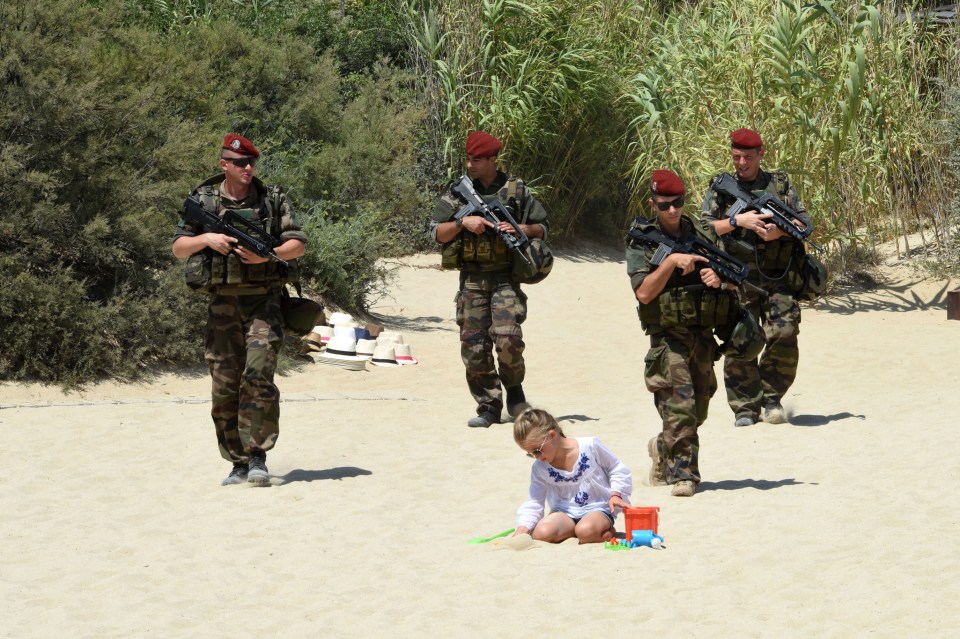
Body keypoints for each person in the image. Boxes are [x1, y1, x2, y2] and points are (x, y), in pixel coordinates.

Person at [172, 134, 307, 486]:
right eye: (240, 163)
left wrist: (268, 254)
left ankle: (258, 455)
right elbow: (179, 248)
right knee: (225, 383)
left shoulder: (272, 199)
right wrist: (207, 239)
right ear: (224, 165)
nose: (248, 168)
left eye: (252, 163)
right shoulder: (204, 200)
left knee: (259, 376)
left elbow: (297, 245)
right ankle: (237, 461)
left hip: (264, 301)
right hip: (222, 305)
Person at [626, 169, 739, 497]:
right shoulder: (641, 239)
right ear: (653, 204)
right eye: (664, 205)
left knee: (697, 412)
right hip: (668, 336)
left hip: (703, 333)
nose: (673, 211)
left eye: (678, 203)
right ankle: (684, 476)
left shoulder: (703, 232)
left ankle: (662, 446)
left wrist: (718, 280)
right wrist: (671, 262)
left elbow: (731, 277)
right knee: (681, 405)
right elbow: (644, 293)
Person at [430, 131, 549, 428]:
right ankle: (488, 406)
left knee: (508, 339)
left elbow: (543, 228)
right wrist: (461, 222)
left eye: (478, 160)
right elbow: (434, 232)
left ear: (493, 160)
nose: (471, 164)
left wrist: (520, 227)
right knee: (473, 346)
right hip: (471, 279)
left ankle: (514, 390)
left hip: (506, 278)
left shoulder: (516, 191)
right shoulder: (458, 192)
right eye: (468, 159)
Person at [700, 128, 810, 427]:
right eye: (736, 157)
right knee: (741, 339)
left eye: (748, 157)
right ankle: (745, 407)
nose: (742, 163)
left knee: (785, 333)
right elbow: (703, 229)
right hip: (737, 276)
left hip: (778, 277)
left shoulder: (780, 184)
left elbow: (804, 221)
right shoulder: (722, 187)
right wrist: (738, 220)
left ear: (761, 154)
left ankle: (771, 397)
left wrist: (780, 230)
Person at [513, 408, 631, 543]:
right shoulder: (540, 468)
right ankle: (576, 530)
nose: (536, 457)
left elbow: (616, 467)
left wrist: (616, 494)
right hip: (564, 512)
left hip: (597, 507)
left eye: (537, 450)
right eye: (530, 454)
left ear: (552, 435)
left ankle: (602, 530)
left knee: (586, 531)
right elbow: (535, 501)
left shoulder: (589, 446)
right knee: (542, 533)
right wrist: (522, 531)